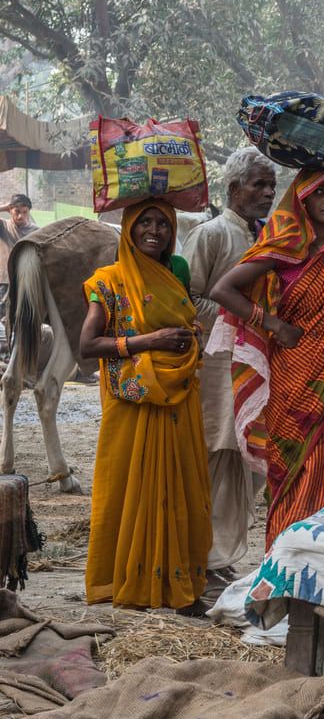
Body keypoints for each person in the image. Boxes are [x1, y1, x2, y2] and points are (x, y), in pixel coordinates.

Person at [209, 170, 324, 551]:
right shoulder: (286, 243)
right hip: (290, 378)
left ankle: (321, 566)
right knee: (289, 470)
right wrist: (274, 324)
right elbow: (222, 289)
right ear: (302, 198)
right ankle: (283, 563)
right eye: (321, 193)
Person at [79, 200, 210, 609]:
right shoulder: (109, 280)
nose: (154, 231)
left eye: (163, 224)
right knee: (126, 487)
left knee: (180, 485)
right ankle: (123, 582)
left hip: (178, 400)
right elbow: (87, 346)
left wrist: (192, 335)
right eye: (145, 223)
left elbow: (182, 323)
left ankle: (175, 582)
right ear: (129, 229)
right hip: (132, 404)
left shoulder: (175, 275)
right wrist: (149, 342)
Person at [182, 146, 276, 589]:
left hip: (258, 366)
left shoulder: (271, 237)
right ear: (233, 188)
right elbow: (187, 299)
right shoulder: (212, 235)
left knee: (251, 464)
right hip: (218, 368)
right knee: (218, 460)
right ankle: (208, 558)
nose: (267, 192)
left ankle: (222, 554)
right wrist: (242, 316)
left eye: (271, 185)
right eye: (258, 184)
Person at [0, 193, 40, 317]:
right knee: (2, 314)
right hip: (5, 280)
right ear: (10, 210)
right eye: (16, 211)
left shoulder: (36, 231)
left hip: (27, 280)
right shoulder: (3, 226)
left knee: (23, 316)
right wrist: (4, 207)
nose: (20, 216)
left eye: (24, 212)